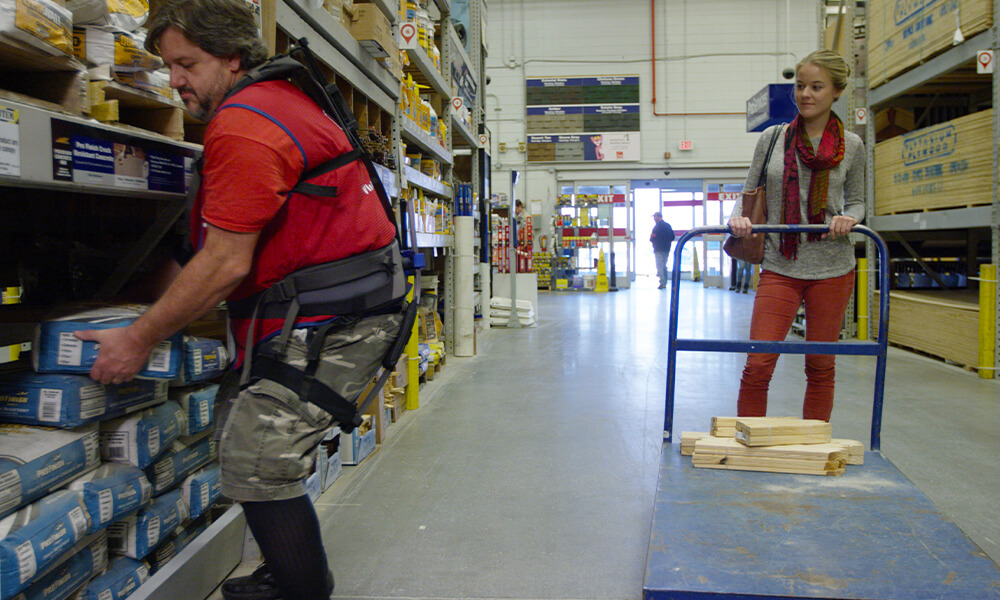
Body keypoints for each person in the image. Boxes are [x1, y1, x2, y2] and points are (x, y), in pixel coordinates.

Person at [73, 1, 401, 598]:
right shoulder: (268, 103)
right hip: (326, 313)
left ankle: (304, 589)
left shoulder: (249, 122)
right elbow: (213, 243)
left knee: (257, 461)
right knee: (240, 438)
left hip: (338, 323)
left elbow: (226, 263)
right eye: (168, 66)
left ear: (231, 56)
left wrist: (137, 338)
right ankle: (288, 571)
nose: (174, 80)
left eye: (186, 64)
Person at [727, 49, 864, 422]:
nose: (806, 94)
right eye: (800, 85)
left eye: (816, 87)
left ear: (836, 91)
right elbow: (748, 195)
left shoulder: (852, 146)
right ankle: (749, 439)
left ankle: (813, 443)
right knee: (758, 363)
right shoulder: (773, 138)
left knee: (820, 365)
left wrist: (849, 218)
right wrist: (738, 220)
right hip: (779, 263)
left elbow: (858, 201)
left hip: (833, 267)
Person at [650, 212, 674, 289]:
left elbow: (651, 239)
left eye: (655, 217)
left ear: (659, 217)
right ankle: (665, 281)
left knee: (659, 266)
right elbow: (672, 237)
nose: (654, 219)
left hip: (658, 249)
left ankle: (663, 282)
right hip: (666, 249)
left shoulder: (656, 228)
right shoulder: (668, 226)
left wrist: (655, 240)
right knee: (663, 265)